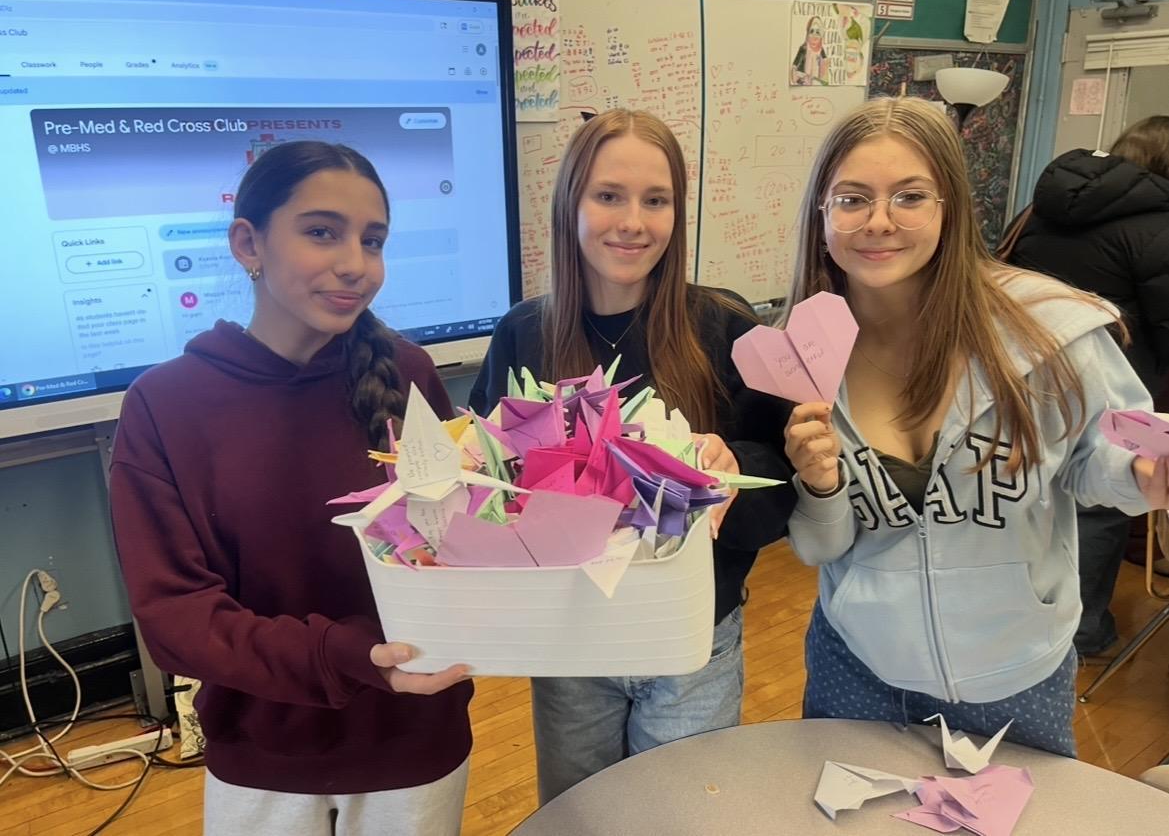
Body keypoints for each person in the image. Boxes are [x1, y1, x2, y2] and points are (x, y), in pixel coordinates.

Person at [780, 97, 1169, 757]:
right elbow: (823, 546)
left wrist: (1143, 471)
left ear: (950, 209)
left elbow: (1104, 456)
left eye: (910, 196)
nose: (879, 221)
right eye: (852, 199)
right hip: (857, 668)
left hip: (1015, 675)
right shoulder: (800, 354)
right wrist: (819, 486)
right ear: (821, 216)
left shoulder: (1045, 329)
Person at [109, 141, 472, 835]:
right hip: (263, 756)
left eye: (373, 240)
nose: (355, 263)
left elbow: (455, 548)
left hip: (414, 738)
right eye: (322, 232)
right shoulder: (165, 406)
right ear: (248, 243)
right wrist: (346, 656)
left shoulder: (410, 376)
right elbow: (177, 620)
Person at [469, 109, 796, 803]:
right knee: (579, 813)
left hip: (692, 643)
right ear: (570, 203)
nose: (633, 222)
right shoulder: (524, 335)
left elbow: (782, 483)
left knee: (681, 814)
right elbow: (487, 484)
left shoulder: (724, 326)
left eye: (656, 200)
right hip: (572, 645)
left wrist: (729, 473)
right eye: (608, 195)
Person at [1001, 115, 1169, 656]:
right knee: (1099, 508)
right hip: (1114, 384)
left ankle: (1022, 614)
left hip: (1020, 375)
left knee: (1031, 492)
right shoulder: (1159, 228)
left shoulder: (1039, 208)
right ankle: (1082, 631)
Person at [791, 15, 830, 86]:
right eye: (811, 31)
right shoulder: (803, 49)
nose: (814, 36)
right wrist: (801, 79)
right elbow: (794, 68)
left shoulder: (821, 51)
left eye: (818, 32)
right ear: (808, 33)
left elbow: (825, 78)